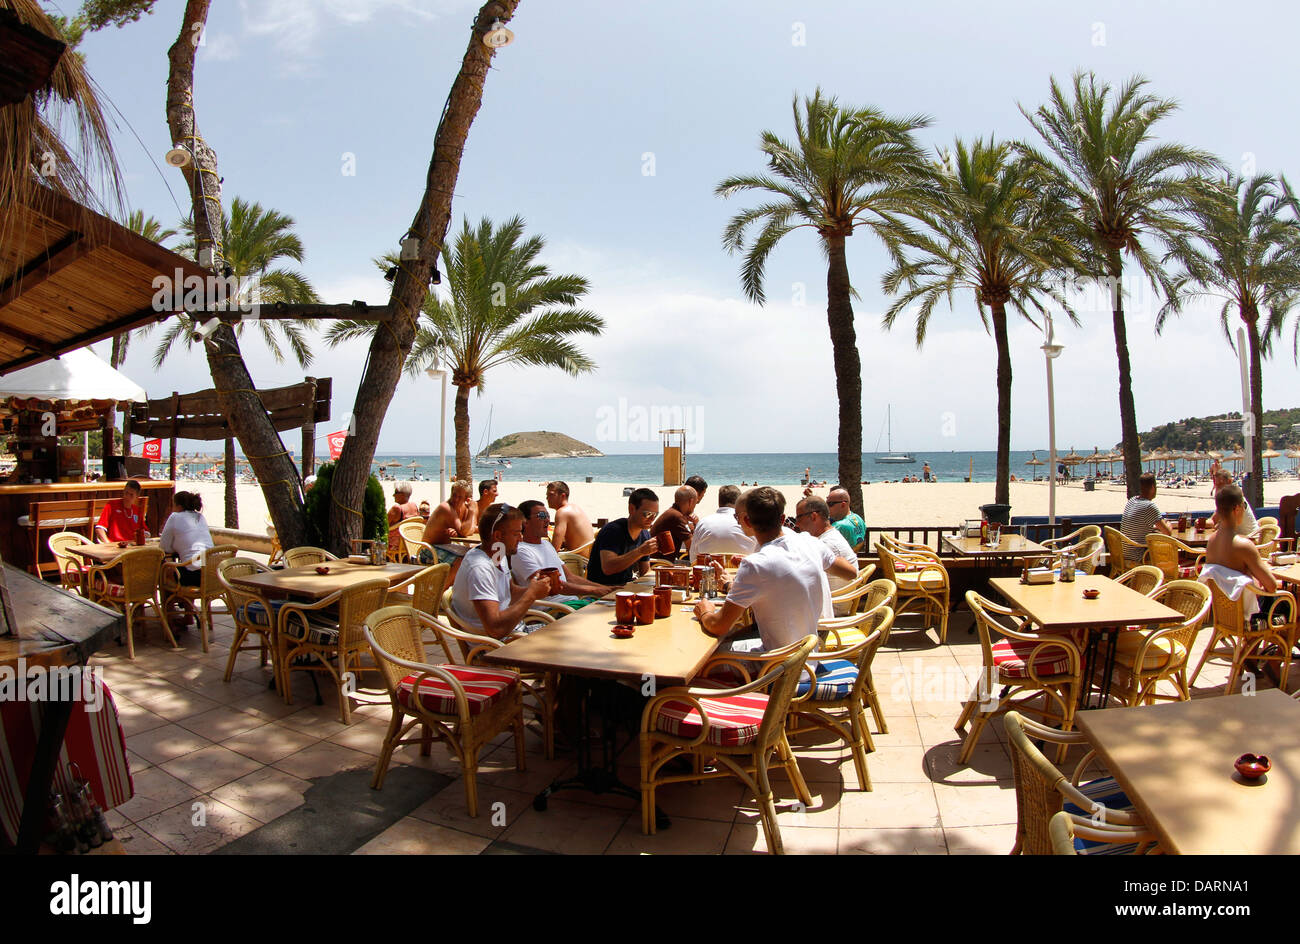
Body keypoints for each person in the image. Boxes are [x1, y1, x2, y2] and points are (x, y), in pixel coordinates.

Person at [694, 487, 853, 656]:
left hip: (778, 666)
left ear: (747, 521)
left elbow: (718, 626)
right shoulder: (810, 542)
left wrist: (705, 610)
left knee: (703, 655)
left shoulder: (755, 564)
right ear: (782, 518)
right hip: (811, 650)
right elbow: (849, 572)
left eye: (737, 518)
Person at [450, 502, 551, 639]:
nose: (521, 538)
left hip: (516, 632)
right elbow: (495, 629)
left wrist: (541, 588)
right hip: (495, 646)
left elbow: (510, 591)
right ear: (497, 536)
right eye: (516, 534)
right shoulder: (480, 569)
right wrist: (531, 594)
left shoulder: (497, 554)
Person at [510, 500, 610, 605]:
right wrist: (594, 591)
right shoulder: (521, 551)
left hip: (572, 603)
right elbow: (551, 585)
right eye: (542, 515)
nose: (547, 519)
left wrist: (603, 588)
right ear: (525, 522)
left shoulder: (547, 545)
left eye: (548, 515)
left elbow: (570, 577)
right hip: (553, 609)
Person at [1200, 484, 1277, 613]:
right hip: (1249, 617)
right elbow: (1271, 586)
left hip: (1224, 613)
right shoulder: (1243, 545)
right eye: (1244, 506)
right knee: (1293, 599)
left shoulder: (1212, 542)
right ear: (1236, 508)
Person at [793, 496, 859, 609]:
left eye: (799, 518)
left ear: (814, 516)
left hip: (831, 611)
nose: (797, 524)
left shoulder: (826, 545)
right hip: (831, 603)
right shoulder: (831, 535)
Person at [587, 488, 661, 585]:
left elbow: (644, 572)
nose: (652, 519)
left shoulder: (644, 534)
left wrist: (663, 575)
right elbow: (608, 568)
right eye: (648, 514)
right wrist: (640, 551)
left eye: (656, 514)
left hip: (626, 587)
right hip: (602, 589)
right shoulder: (613, 531)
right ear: (632, 509)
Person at [159, 491, 214, 587]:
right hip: (211, 575)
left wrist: (176, 546)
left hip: (194, 576)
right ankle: (184, 601)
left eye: (173, 505)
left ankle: (170, 601)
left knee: (162, 570)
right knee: (180, 566)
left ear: (179, 507)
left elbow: (164, 547)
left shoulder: (175, 517)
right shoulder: (200, 517)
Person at [688, 484, 757, 558]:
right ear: (738, 502)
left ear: (719, 502)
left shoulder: (703, 523)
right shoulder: (747, 524)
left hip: (709, 568)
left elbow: (693, 556)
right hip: (742, 568)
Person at [419, 481, 476, 566]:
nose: (456, 499)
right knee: (462, 561)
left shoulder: (462, 508)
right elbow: (464, 532)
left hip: (444, 546)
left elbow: (470, 529)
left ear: (467, 499)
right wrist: (472, 512)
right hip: (428, 550)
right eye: (454, 495)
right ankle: (449, 580)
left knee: (475, 554)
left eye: (460, 497)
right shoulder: (446, 508)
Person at [1120, 472, 1172, 562]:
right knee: (1168, 553)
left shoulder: (1132, 501)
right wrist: (1169, 524)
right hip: (1139, 556)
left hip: (1123, 553)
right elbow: (1167, 533)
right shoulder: (1149, 506)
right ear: (1152, 487)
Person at [650, 485, 697, 560]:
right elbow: (692, 546)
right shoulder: (677, 517)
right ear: (691, 501)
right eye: (695, 503)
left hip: (657, 561)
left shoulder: (672, 513)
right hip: (660, 565)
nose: (694, 507)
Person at [546, 480, 594, 552]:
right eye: (547, 495)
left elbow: (555, 548)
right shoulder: (575, 508)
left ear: (563, 496)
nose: (547, 498)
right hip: (588, 556)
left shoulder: (562, 512)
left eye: (551, 495)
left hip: (577, 559)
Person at [95, 478, 147, 543]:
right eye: (126, 493)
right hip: (115, 545)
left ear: (137, 496)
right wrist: (107, 543)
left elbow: (145, 531)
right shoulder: (111, 505)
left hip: (132, 547)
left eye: (131, 495)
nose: (127, 496)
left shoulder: (137, 511)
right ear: (123, 491)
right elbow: (99, 528)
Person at [1208, 469, 1258, 535]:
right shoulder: (1225, 499)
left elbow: (1213, 522)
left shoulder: (1234, 498)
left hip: (1251, 538)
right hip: (1240, 538)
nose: (1218, 489)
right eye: (1216, 485)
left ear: (1229, 481)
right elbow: (1215, 521)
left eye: (1220, 484)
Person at [827, 485, 866, 551]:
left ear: (843, 504)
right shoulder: (858, 518)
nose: (827, 507)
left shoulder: (839, 527)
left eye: (830, 504)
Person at [386, 481, 420, 547]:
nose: (393, 495)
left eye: (396, 493)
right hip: (409, 542)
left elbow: (384, 526)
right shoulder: (414, 506)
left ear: (402, 494)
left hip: (395, 544)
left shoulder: (397, 508)